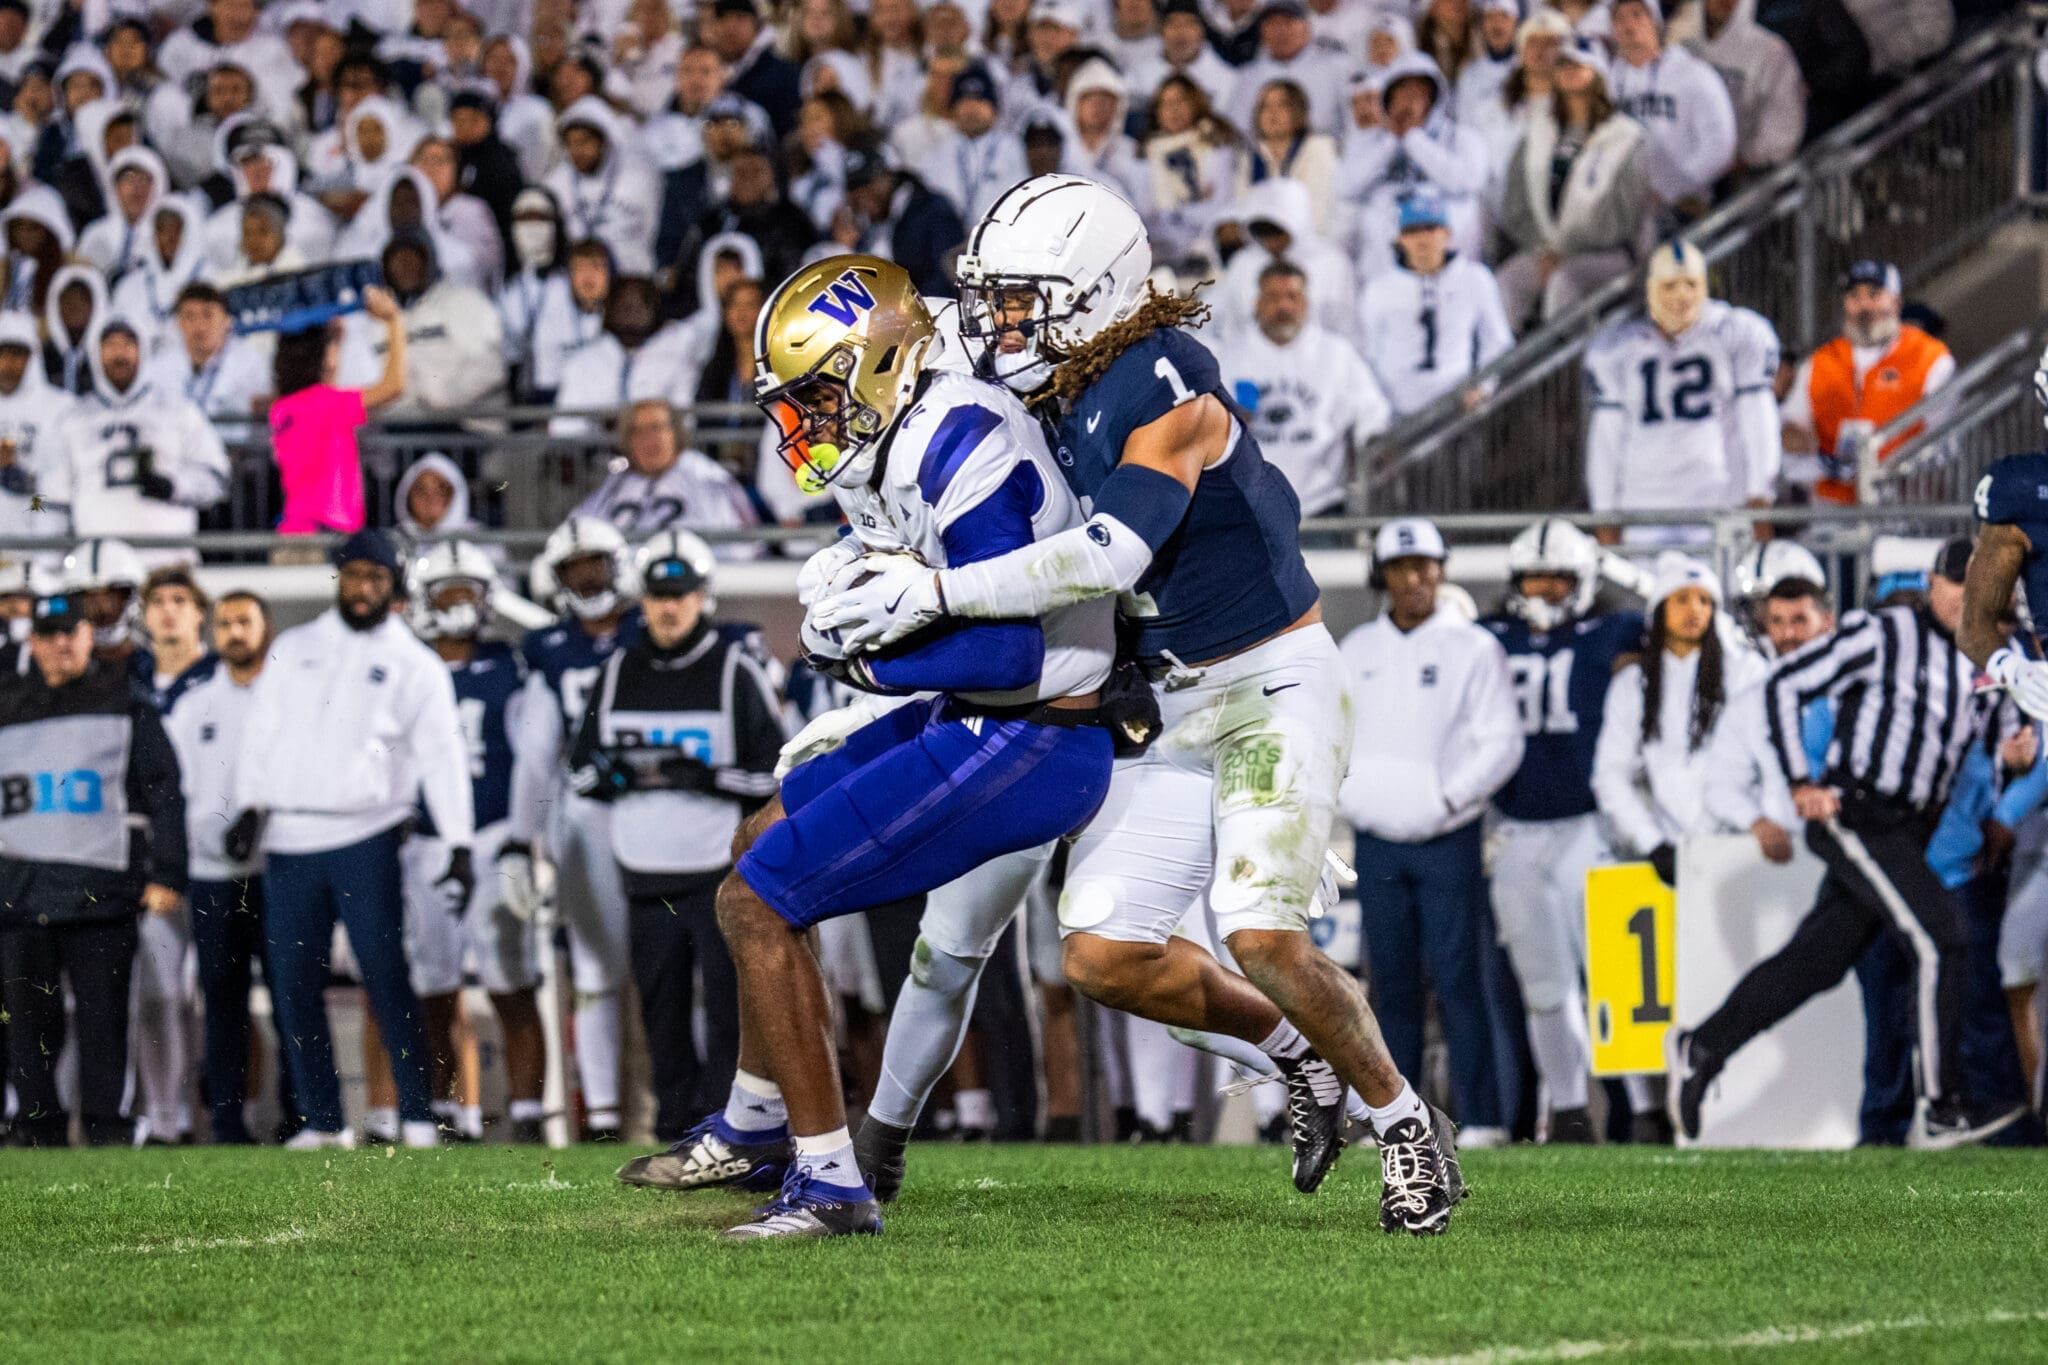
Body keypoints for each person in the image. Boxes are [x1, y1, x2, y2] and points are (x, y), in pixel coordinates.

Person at [816, 182, 1466, 1234]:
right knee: (1100, 956)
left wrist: (929, 596)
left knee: (1259, 935)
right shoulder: (1050, 377)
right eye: (993, 302)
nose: (998, 325)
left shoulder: (1160, 379)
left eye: (1020, 303)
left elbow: (1111, 551)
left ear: (1093, 294)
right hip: (1164, 700)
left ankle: (1402, 1122)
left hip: (1267, 683)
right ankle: (1301, 1055)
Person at [641, 254, 1123, 1238]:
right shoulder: (901, 427)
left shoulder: (957, 440)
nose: (801, 424)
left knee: (755, 900)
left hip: (1036, 729)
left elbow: (1006, 644)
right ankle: (758, 1124)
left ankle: (829, 1184)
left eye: (815, 395)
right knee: (757, 837)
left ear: (875, 363)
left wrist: (862, 662)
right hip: (986, 714)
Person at [1670, 540, 2028, 1148]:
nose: (1965, 598)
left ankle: (1703, 1045)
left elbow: (1994, 742)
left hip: (1915, 828)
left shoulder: (1990, 654)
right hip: (1858, 811)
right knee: (1942, 940)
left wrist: (2012, 763)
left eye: (1977, 588)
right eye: (1955, 584)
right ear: (1933, 584)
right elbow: (1786, 686)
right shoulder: (1884, 632)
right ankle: (1944, 1104)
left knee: (1819, 960)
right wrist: (1800, 781)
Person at [227, 530, 475, 1150]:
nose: (363, 587)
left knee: (386, 975)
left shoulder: (415, 662)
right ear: (340, 578)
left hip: (366, 834)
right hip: (289, 836)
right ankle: (322, 1120)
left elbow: (442, 755)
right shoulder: (296, 645)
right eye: (354, 575)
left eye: (376, 577)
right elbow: (261, 732)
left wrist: (460, 839)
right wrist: (249, 806)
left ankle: (418, 1114)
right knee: (292, 980)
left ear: (393, 585)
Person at [569, 530, 783, 1143]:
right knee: (659, 1013)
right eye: (659, 595)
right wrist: (613, 776)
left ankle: (726, 1131)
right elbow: (581, 768)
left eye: (681, 595)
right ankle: (673, 1130)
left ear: (702, 597)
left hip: (715, 873)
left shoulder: (733, 670)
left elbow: (774, 770)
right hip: (641, 873)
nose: (669, 608)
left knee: (724, 1008)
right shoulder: (616, 672)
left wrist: (708, 778)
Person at [1339, 519, 1522, 1145]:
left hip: (1449, 835)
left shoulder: (1473, 646)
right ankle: (1394, 1117)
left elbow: (1502, 741)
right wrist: (1356, 800)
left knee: (1460, 977)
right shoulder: (1356, 648)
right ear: (1383, 576)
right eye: (1402, 566)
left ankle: (1485, 1117)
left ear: (1443, 570)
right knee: (1388, 980)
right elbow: (1331, 735)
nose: (1416, 578)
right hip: (1377, 836)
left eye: (1426, 565)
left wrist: (1447, 798)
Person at [0, 585, 185, 1147]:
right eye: (49, 636)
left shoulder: (123, 700)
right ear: (33, 641)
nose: (61, 645)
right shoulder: (5, 701)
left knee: (106, 1024)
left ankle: (109, 1127)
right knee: (28, 1029)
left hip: (101, 893)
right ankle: (38, 1128)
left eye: (71, 634)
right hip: (18, 896)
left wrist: (168, 873)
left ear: (89, 636)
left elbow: (165, 791)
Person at [1480, 516, 1645, 1143]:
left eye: (1558, 579)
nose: (1545, 591)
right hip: (1517, 831)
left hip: (1591, 826)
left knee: (1615, 980)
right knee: (1544, 985)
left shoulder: (1618, 629)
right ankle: (1571, 1113)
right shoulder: (1487, 635)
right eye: (1534, 579)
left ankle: (1642, 1110)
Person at [397, 541, 546, 1144]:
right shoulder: (405, 668)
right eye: (448, 593)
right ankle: (447, 1110)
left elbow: (535, 759)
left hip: (492, 838)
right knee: (434, 985)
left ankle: (530, 1114)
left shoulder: (512, 666)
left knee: (511, 981)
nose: (460, 605)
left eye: (470, 592)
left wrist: (522, 840)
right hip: (425, 840)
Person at [507, 516, 645, 1141]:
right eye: (576, 570)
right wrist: (522, 834)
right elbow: (537, 752)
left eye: (597, 565)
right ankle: (606, 1116)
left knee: (688, 964)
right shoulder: (546, 649)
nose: (588, 579)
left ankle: (694, 1103)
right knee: (593, 967)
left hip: (665, 806)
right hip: (585, 811)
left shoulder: (653, 627)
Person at [158, 587, 293, 1144]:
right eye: (226, 623)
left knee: (291, 998)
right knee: (221, 1003)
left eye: (246, 622)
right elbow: (174, 794)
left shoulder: (289, 699)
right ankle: (229, 1124)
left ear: (265, 629)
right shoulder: (192, 705)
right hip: (211, 878)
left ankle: (302, 1116)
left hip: (278, 874)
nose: (235, 632)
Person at [1583, 240, 1781, 539]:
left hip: (1719, 503)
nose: (1682, 295)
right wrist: (1605, 515)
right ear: (1651, 289)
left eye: (1691, 284)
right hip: (1644, 507)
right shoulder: (1620, 347)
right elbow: (1606, 440)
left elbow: (1759, 422)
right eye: (1671, 285)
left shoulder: (1733, 334)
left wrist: (1760, 496)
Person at [1495, 38, 1653, 332]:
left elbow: (1625, 216)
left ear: (1597, 74)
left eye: (1578, 64)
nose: (1569, 71)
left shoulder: (1625, 137)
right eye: (1563, 64)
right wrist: (1541, 248)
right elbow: (1515, 202)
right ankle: (1506, 375)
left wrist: (1569, 252)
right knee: (1507, 283)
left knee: (1563, 283)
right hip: (1546, 250)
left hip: (1608, 254)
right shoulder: (1538, 129)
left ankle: (1563, 374)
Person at [40, 315, 229, 558]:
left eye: (128, 344)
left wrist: (173, 486)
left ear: (143, 350)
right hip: (97, 565)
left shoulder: (179, 410)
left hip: (167, 562)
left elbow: (216, 479)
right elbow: (50, 497)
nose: (120, 354)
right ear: (95, 353)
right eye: (110, 345)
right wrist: (50, 563)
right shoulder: (71, 420)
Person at [1220, 260, 1389, 519]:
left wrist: (1368, 442)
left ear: (1306, 303)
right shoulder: (1229, 358)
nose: (1283, 306)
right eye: (1273, 297)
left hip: (1322, 504)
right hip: (1250, 510)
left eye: (1292, 296)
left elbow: (1373, 412)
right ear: (1256, 303)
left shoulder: (1336, 353)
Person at [1780, 260, 1954, 506]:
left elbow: (1944, 441)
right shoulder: (1821, 361)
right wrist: (1804, 443)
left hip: (1903, 507)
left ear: (1895, 302)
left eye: (1874, 295)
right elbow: (1788, 426)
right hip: (1830, 510)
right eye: (1854, 296)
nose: (1864, 307)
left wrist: (1885, 466)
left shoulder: (1930, 358)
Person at [1357, 191, 1514, 418]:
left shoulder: (1474, 278)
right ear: (1399, 239)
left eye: (1430, 229)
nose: (1422, 239)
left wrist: (1482, 386)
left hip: (1459, 407)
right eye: (1412, 232)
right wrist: (1379, 410)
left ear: (1446, 233)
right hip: (1398, 413)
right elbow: (1366, 355)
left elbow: (1497, 340)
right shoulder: (1379, 290)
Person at [267, 285, 408, 536]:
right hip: (329, 531)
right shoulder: (328, 404)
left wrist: (332, 340)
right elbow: (394, 386)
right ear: (325, 356)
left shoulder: (281, 408)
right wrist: (394, 321)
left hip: (295, 529)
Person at [1335, 52, 1487, 278]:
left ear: (1434, 98)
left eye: (1418, 94)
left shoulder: (1462, 136)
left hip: (1443, 227)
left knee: (1464, 211)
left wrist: (1414, 139)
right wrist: (1391, 142)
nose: (1409, 101)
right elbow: (1345, 187)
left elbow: (1467, 181)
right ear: (1388, 99)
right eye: (1402, 93)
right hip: (1385, 237)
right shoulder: (1371, 140)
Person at [1605, 0, 1736, 221]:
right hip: (1625, 211)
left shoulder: (1693, 73)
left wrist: (1673, 188)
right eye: (1619, 18)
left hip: (1683, 206)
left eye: (1637, 15)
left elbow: (1720, 144)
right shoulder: (1608, 83)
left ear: (1654, 22)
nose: (1628, 25)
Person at [574, 398, 758, 543]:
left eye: (656, 428)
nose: (648, 439)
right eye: (637, 431)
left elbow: (743, 546)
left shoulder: (706, 476)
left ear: (676, 433)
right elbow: (577, 530)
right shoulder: (615, 484)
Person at [549, 277, 700, 435]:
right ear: (610, 307)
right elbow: (564, 427)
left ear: (655, 309)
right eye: (624, 303)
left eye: (642, 301)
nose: (633, 309)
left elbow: (685, 423)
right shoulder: (581, 362)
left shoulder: (677, 360)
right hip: (595, 452)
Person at [1668, 0, 1806, 173]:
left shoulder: (1771, 52)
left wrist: (1739, 161)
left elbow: (1783, 132)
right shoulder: (1677, 43)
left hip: (1748, 176)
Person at [545, 96, 662, 276]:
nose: (577, 151)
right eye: (571, 143)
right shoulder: (555, 183)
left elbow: (652, 230)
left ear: (605, 142)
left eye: (585, 142)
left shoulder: (638, 178)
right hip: (578, 279)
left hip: (631, 276)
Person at [829, 147, 965, 301]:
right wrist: (849, 248)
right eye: (855, 189)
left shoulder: (932, 210)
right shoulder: (863, 228)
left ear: (888, 176)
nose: (862, 194)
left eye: (868, 183)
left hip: (930, 312)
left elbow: (948, 275)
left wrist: (910, 307)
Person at [141, 283, 269, 435]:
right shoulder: (159, 366)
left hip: (237, 452)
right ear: (178, 322)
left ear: (227, 320)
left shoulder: (252, 363)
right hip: (176, 452)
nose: (199, 325)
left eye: (208, 315)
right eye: (189, 316)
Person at [0, 309, 72, 547]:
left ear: (33, 356)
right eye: (2, 353)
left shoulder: (60, 408)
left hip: (37, 541)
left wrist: (31, 484)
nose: (7, 363)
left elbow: (71, 482)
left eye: (17, 354)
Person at [928, 63, 1029, 226]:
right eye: (965, 101)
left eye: (979, 101)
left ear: (994, 109)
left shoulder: (1012, 148)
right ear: (953, 109)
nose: (971, 109)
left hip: (997, 236)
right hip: (949, 240)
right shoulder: (939, 151)